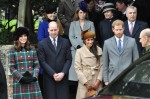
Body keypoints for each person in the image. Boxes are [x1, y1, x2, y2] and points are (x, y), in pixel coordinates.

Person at [38, 21, 72, 99]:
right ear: (48, 30)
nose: (53, 32)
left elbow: (69, 59)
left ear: (58, 29)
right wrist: (53, 74)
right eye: (51, 30)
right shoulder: (42, 44)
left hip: (63, 77)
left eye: (55, 30)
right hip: (49, 79)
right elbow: (42, 61)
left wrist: (63, 73)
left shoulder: (65, 42)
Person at [8, 27, 43, 99]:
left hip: (32, 80)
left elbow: (37, 65)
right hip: (20, 81)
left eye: (25, 36)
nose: (23, 38)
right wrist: (21, 78)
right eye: (21, 36)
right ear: (17, 38)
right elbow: (11, 67)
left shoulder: (32, 49)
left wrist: (34, 76)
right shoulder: (12, 50)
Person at [103, 19, 139, 85]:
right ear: (113, 29)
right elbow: (105, 62)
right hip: (112, 76)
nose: (119, 32)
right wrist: (106, 79)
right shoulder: (107, 42)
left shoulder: (132, 41)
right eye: (117, 30)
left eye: (120, 29)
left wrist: (135, 76)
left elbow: (136, 60)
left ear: (123, 29)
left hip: (129, 76)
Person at [74, 30, 103, 99]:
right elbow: (77, 68)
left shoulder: (99, 50)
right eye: (88, 40)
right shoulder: (79, 51)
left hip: (96, 81)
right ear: (84, 40)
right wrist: (86, 83)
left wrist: (98, 81)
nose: (90, 42)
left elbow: (102, 66)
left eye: (92, 39)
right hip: (84, 82)